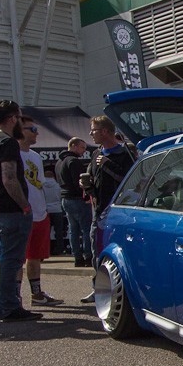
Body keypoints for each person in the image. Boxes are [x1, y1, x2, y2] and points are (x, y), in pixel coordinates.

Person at [0, 100, 41, 322]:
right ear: (13, 119)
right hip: (11, 210)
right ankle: (8, 306)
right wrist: (24, 205)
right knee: (12, 261)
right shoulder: (7, 142)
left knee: (7, 258)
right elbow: (9, 177)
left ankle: (6, 304)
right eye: (19, 118)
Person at [80, 116, 136, 303]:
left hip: (119, 212)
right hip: (99, 210)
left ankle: (120, 291)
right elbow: (93, 177)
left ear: (105, 131)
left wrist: (107, 164)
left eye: (94, 130)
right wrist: (86, 184)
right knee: (96, 249)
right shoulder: (96, 153)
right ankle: (99, 288)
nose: (91, 134)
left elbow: (129, 180)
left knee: (119, 251)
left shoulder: (124, 154)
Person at [17, 116, 62, 306]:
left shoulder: (35, 156)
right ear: (20, 131)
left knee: (35, 256)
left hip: (40, 213)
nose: (37, 133)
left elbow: (39, 184)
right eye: (32, 129)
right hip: (21, 214)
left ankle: (36, 294)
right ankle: (14, 298)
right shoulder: (12, 154)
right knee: (17, 258)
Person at [55, 137, 93, 267]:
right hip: (77, 198)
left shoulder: (59, 162)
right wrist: (87, 196)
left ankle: (77, 257)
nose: (84, 151)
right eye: (82, 148)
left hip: (65, 198)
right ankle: (88, 256)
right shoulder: (73, 161)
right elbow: (79, 183)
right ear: (74, 146)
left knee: (73, 229)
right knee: (86, 229)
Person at [42, 168, 65, 255]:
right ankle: (59, 249)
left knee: (46, 233)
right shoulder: (57, 186)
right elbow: (60, 197)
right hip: (57, 209)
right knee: (59, 231)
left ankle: (46, 249)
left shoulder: (42, 186)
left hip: (46, 210)